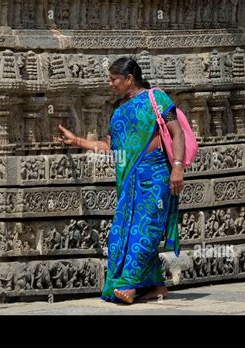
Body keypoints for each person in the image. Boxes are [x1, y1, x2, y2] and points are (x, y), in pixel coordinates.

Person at [58, 57, 185, 304]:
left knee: (144, 230)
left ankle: (128, 284)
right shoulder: (118, 111)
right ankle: (156, 286)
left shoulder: (156, 99)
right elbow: (108, 146)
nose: (110, 83)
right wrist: (78, 142)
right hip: (129, 181)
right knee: (121, 233)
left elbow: (177, 132)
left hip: (155, 175)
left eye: (114, 79)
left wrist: (177, 168)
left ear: (129, 79)